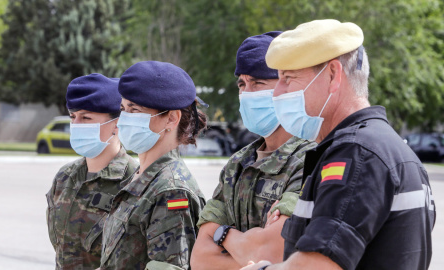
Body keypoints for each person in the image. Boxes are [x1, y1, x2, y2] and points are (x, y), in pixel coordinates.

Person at [243, 19, 436, 270]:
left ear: (333, 75)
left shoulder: (356, 154)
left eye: (288, 79)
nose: (277, 93)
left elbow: (319, 265)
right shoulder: (390, 149)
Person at [190, 32, 316, 269]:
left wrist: (222, 235)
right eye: (242, 84)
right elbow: (200, 259)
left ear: (285, 86)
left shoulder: (310, 160)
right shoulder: (237, 163)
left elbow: (273, 250)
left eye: (257, 82)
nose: (247, 93)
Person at [99, 61, 207, 270]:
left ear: (171, 119)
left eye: (135, 110)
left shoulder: (171, 190)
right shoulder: (142, 176)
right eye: (123, 109)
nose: (124, 119)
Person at [46, 73, 139, 270]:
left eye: (86, 118)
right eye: (73, 117)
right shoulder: (65, 178)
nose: (76, 125)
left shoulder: (135, 180)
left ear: (116, 124)